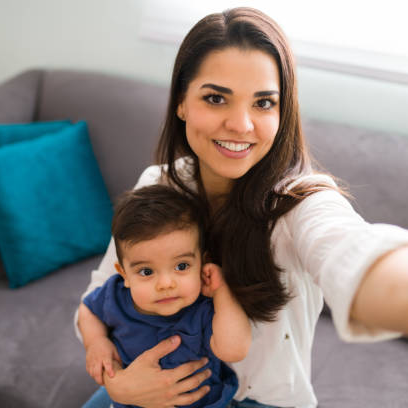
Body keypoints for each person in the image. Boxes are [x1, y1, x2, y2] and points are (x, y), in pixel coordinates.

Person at [76, 6, 408, 408]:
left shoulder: (300, 204)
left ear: (283, 112)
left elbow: (351, 251)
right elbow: (100, 296)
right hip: (139, 386)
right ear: (181, 102)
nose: (241, 125)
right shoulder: (156, 184)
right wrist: (119, 385)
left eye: (263, 103)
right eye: (216, 98)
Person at [78, 185, 251, 408]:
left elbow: (234, 350)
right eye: (146, 272)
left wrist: (222, 291)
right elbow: (87, 309)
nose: (166, 284)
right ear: (124, 275)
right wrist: (96, 342)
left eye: (181, 266)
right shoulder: (116, 295)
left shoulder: (203, 308)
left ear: (202, 264)